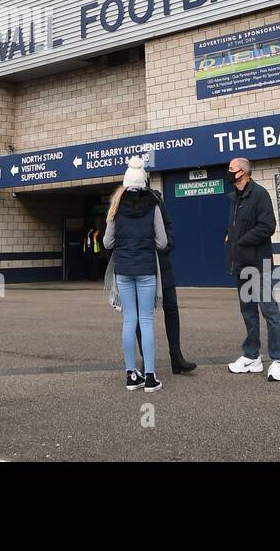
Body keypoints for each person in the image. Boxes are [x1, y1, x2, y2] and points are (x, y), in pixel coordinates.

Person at [103, 156, 166, 392]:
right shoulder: (153, 205)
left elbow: (108, 242)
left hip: (124, 270)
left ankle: (131, 375)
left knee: (129, 320)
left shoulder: (116, 207)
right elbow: (162, 241)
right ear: (145, 183)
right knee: (146, 320)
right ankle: (150, 377)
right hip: (147, 269)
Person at [224, 158, 280, 382]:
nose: (228, 172)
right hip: (241, 264)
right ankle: (252, 357)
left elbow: (267, 226)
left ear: (241, 172)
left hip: (259, 265)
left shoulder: (259, 194)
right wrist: (230, 237)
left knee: (269, 311)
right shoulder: (235, 198)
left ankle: (279, 361)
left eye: (231, 169)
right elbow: (236, 226)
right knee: (248, 312)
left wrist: (240, 240)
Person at [135, 188, 197, 375]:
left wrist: (167, 245)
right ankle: (146, 360)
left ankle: (176, 357)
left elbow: (168, 225)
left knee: (171, 308)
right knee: (141, 314)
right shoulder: (125, 204)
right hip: (141, 265)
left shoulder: (156, 201)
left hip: (162, 263)